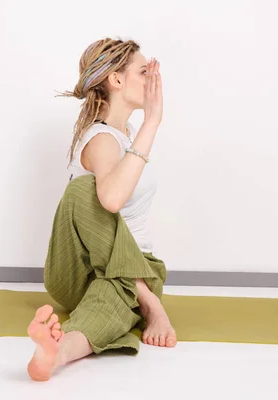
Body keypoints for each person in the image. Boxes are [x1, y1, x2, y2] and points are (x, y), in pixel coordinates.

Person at [27, 37, 176, 382]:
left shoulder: (130, 133)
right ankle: (148, 303)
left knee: (113, 295)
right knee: (84, 190)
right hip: (77, 272)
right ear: (116, 80)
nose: (152, 78)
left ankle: (55, 352)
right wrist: (154, 120)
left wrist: (147, 125)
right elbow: (110, 201)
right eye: (143, 70)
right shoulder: (101, 138)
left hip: (135, 270)